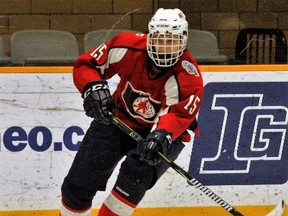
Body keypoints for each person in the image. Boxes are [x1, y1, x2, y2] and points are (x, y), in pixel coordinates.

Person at [60, 8, 204, 216]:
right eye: (158, 39)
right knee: (77, 187)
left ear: (182, 41)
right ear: (149, 36)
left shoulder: (188, 76)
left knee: (132, 181)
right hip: (119, 119)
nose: (163, 47)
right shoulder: (126, 46)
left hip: (165, 134)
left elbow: (179, 115)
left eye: (170, 41)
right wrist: (92, 86)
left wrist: (162, 135)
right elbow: (87, 65)